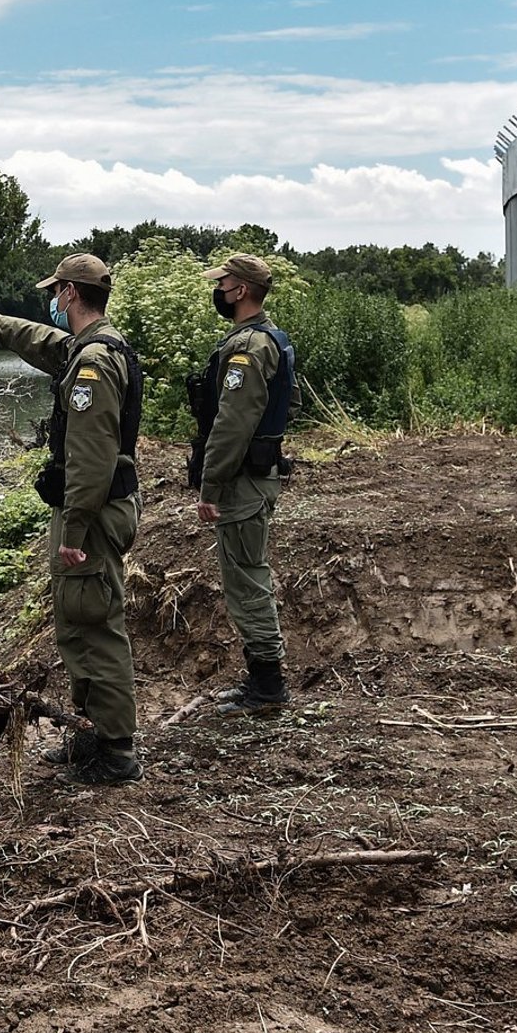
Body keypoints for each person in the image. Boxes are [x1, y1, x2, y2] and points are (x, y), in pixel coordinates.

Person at [0, 253, 144, 784]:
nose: (52, 300)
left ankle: (116, 752)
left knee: (95, 624)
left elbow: (91, 458)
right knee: (77, 621)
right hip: (90, 511)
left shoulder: (92, 362)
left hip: (89, 515)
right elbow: (33, 338)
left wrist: (72, 530)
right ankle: (93, 732)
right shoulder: (89, 346)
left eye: (55, 292)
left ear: (69, 293)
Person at [190, 252, 295, 714]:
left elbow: (233, 423)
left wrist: (210, 486)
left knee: (248, 581)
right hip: (253, 476)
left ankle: (268, 687)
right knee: (245, 578)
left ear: (242, 290)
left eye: (225, 283)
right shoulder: (264, 339)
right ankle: (260, 679)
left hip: (243, 484)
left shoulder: (250, 347)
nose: (219, 290)